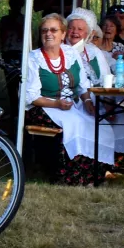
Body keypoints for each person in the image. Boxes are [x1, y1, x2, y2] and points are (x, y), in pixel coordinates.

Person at [21, 14, 101, 184]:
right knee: (74, 123)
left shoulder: (71, 53)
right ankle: (68, 177)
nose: (48, 34)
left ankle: (93, 174)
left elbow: (83, 84)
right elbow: (31, 96)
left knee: (95, 122)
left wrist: (87, 101)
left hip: (70, 105)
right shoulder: (33, 58)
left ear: (63, 34)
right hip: (43, 106)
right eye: (44, 31)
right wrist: (56, 103)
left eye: (53, 30)